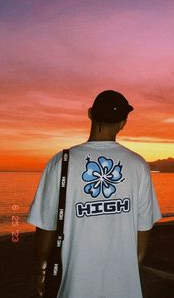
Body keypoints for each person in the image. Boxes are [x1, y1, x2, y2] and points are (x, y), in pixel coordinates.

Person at [27, 90, 161, 298]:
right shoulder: (138, 166)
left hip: (73, 288)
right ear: (123, 123)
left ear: (90, 114)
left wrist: (43, 270)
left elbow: (46, 228)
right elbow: (141, 241)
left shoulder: (61, 162)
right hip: (125, 289)